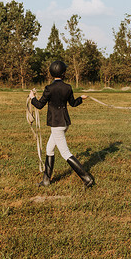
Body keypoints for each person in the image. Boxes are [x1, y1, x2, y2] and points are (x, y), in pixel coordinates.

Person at [29, 60, 94, 188]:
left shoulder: (49, 88)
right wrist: (81, 98)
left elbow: (39, 105)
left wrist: (32, 98)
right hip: (64, 123)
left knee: (65, 153)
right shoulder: (68, 87)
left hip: (56, 124)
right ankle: (46, 181)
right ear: (63, 73)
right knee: (49, 149)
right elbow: (73, 103)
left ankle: (87, 179)